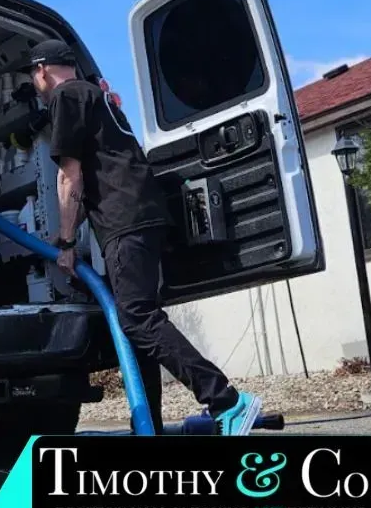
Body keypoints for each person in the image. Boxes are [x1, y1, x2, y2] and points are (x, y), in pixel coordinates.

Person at [19, 39, 261, 436]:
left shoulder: (66, 97)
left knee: (136, 318)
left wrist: (64, 244)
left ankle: (228, 401)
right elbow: (92, 178)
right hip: (142, 215)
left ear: (43, 69)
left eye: (33, 74)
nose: (35, 81)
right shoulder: (99, 97)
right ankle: (146, 427)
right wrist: (68, 231)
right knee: (137, 325)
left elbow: (69, 177)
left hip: (124, 221)